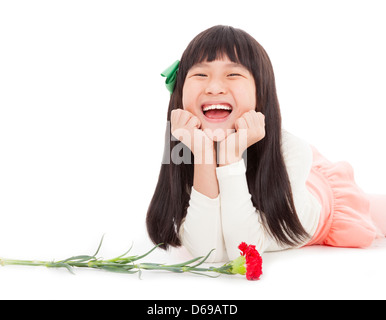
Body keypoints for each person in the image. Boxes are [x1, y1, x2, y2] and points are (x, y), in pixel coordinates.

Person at [146, 25, 386, 262]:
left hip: (325, 202)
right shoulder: (186, 145)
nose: (214, 87)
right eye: (200, 74)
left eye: (233, 74)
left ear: (261, 93)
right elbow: (207, 253)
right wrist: (203, 156)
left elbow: (243, 251)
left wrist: (230, 157)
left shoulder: (291, 151)